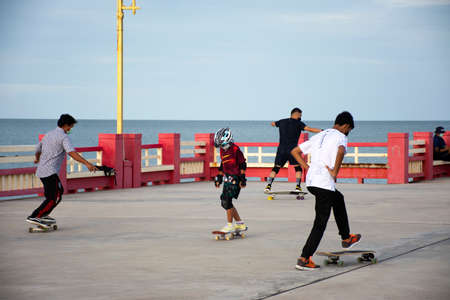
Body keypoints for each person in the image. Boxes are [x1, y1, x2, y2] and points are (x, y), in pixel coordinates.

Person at [290, 111, 361, 270]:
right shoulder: (340, 136)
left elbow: (294, 152)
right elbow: (341, 151)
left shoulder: (321, 135)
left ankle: (346, 237)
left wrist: (307, 167)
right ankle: (304, 258)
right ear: (345, 126)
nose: (348, 133)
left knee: (338, 199)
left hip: (312, 181)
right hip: (324, 183)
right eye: (348, 130)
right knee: (320, 222)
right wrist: (335, 172)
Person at [26, 114, 98, 228]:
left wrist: (37, 158)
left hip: (42, 171)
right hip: (49, 172)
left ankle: (43, 215)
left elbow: (38, 149)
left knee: (57, 193)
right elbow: (72, 153)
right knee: (53, 197)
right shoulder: (63, 137)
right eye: (71, 127)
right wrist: (87, 163)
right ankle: (35, 216)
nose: (71, 129)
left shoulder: (48, 134)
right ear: (65, 125)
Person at [265, 108, 322, 193]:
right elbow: (309, 129)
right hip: (293, 150)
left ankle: (268, 186)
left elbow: (273, 123)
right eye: (300, 115)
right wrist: (322, 131)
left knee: (276, 167)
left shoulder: (282, 121)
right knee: (298, 168)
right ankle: (298, 186)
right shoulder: (298, 123)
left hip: (281, 149)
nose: (301, 117)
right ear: (297, 114)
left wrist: (275, 124)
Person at [213, 128, 248, 233]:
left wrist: (242, 179)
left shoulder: (235, 150)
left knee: (227, 201)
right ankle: (240, 224)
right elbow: (222, 164)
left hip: (236, 178)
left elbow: (242, 164)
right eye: (220, 146)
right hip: (227, 177)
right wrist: (219, 178)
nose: (222, 148)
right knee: (225, 202)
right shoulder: (222, 150)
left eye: (222, 145)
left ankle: (229, 225)